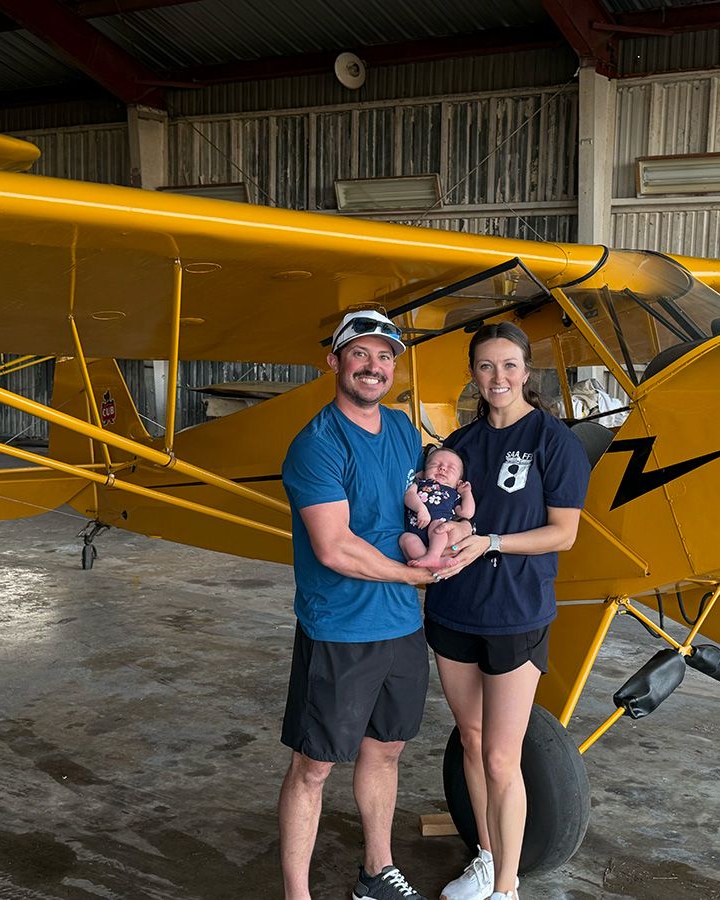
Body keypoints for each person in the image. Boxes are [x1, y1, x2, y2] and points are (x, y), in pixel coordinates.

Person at [424, 322, 591, 900]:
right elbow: (439, 518)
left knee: (500, 756)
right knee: (470, 740)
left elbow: (563, 534)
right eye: (486, 366)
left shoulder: (553, 441)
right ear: (473, 374)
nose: (498, 378)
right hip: (453, 609)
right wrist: (437, 545)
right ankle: (485, 856)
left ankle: (505, 888)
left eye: (509, 366)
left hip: (517, 613)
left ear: (527, 372)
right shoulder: (458, 448)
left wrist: (490, 542)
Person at [277, 309, 437, 900]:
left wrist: (437, 523)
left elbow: (407, 497)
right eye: (361, 354)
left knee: (387, 749)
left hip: (399, 624)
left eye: (386, 356)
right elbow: (335, 546)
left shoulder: (400, 429)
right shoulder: (315, 445)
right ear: (335, 362)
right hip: (341, 624)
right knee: (314, 765)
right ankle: (298, 894)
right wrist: (411, 573)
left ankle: (376, 873)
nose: (375, 366)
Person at [400, 447, 475, 570]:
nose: (442, 468)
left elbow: (467, 513)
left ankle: (433, 555)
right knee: (405, 539)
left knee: (438, 525)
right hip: (415, 530)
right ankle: (432, 565)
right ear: (424, 472)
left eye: (451, 468)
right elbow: (409, 495)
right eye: (435, 464)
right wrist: (420, 508)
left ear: (458, 482)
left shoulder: (453, 493)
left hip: (439, 535)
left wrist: (466, 493)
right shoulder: (420, 483)